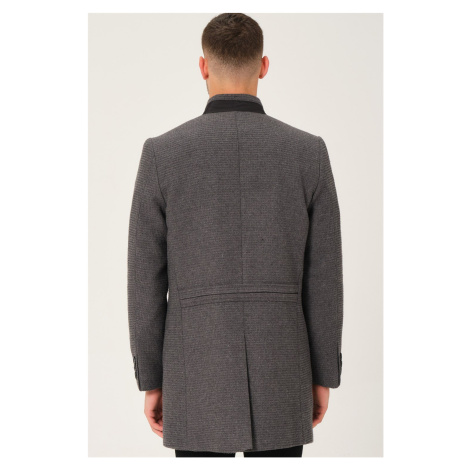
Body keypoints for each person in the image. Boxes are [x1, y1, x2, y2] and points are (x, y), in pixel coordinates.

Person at [127, 12, 343, 458]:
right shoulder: (308, 152)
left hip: (194, 371)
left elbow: (144, 279)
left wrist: (152, 379)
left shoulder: (162, 154)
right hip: (283, 369)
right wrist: (323, 373)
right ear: (263, 66)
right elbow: (325, 277)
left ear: (203, 66)